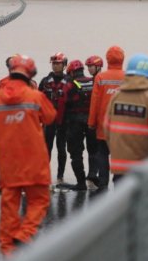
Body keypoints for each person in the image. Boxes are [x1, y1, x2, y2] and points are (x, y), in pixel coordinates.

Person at [0, 55, 56, 256]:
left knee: (9, 208)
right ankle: (25, 234)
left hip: (8, 163)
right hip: (35, 161)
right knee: (39, 201)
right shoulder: (35, 96)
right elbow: (50, 116)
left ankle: (8, 250)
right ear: (30, 75)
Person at [104, 53, 148, 182]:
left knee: (121, 201)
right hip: (143, 170)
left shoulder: (116, 97)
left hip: (119, 170)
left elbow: (107, 130)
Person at [87, 46, 125, 190]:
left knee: (102, 154)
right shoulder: (127, 77)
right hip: (121, 126)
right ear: (122, 59)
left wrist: (91, 123)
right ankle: (119, 183)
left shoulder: (101, 78)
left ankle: (103, 183)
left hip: (103, 126)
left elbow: (94, 103)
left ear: (107, 59)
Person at [39, 52, 70, 185]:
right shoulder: (45, 81)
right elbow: (37, 98)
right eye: (54, 64)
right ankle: (44, 176)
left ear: (64, 65)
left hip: (63, 121)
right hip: (48, 121)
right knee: (46, 148)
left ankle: (60, 176)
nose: (56, 66)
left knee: (62, 149)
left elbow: (77, 92)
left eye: (58, 64)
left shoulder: (70, 81)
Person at [63, 59, 93, 191]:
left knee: (76, 153)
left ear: (70, 72)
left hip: (74, 122)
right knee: (94, 151)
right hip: (91, 122)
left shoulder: (70, 84)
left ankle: (81, 183)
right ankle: (93, 177)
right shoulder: (93, 81)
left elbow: (62, 103)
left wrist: (59, 122)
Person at [84, 55, 103, 190]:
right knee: (92, 148)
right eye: (88, 67)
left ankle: (96, 175)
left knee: (97, 150)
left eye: (91, 66)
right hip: (90, 120)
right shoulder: (91, 81)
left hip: (98, 122)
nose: (89, 69)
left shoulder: (100, 81)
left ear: (98, 67)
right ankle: (92, 174)